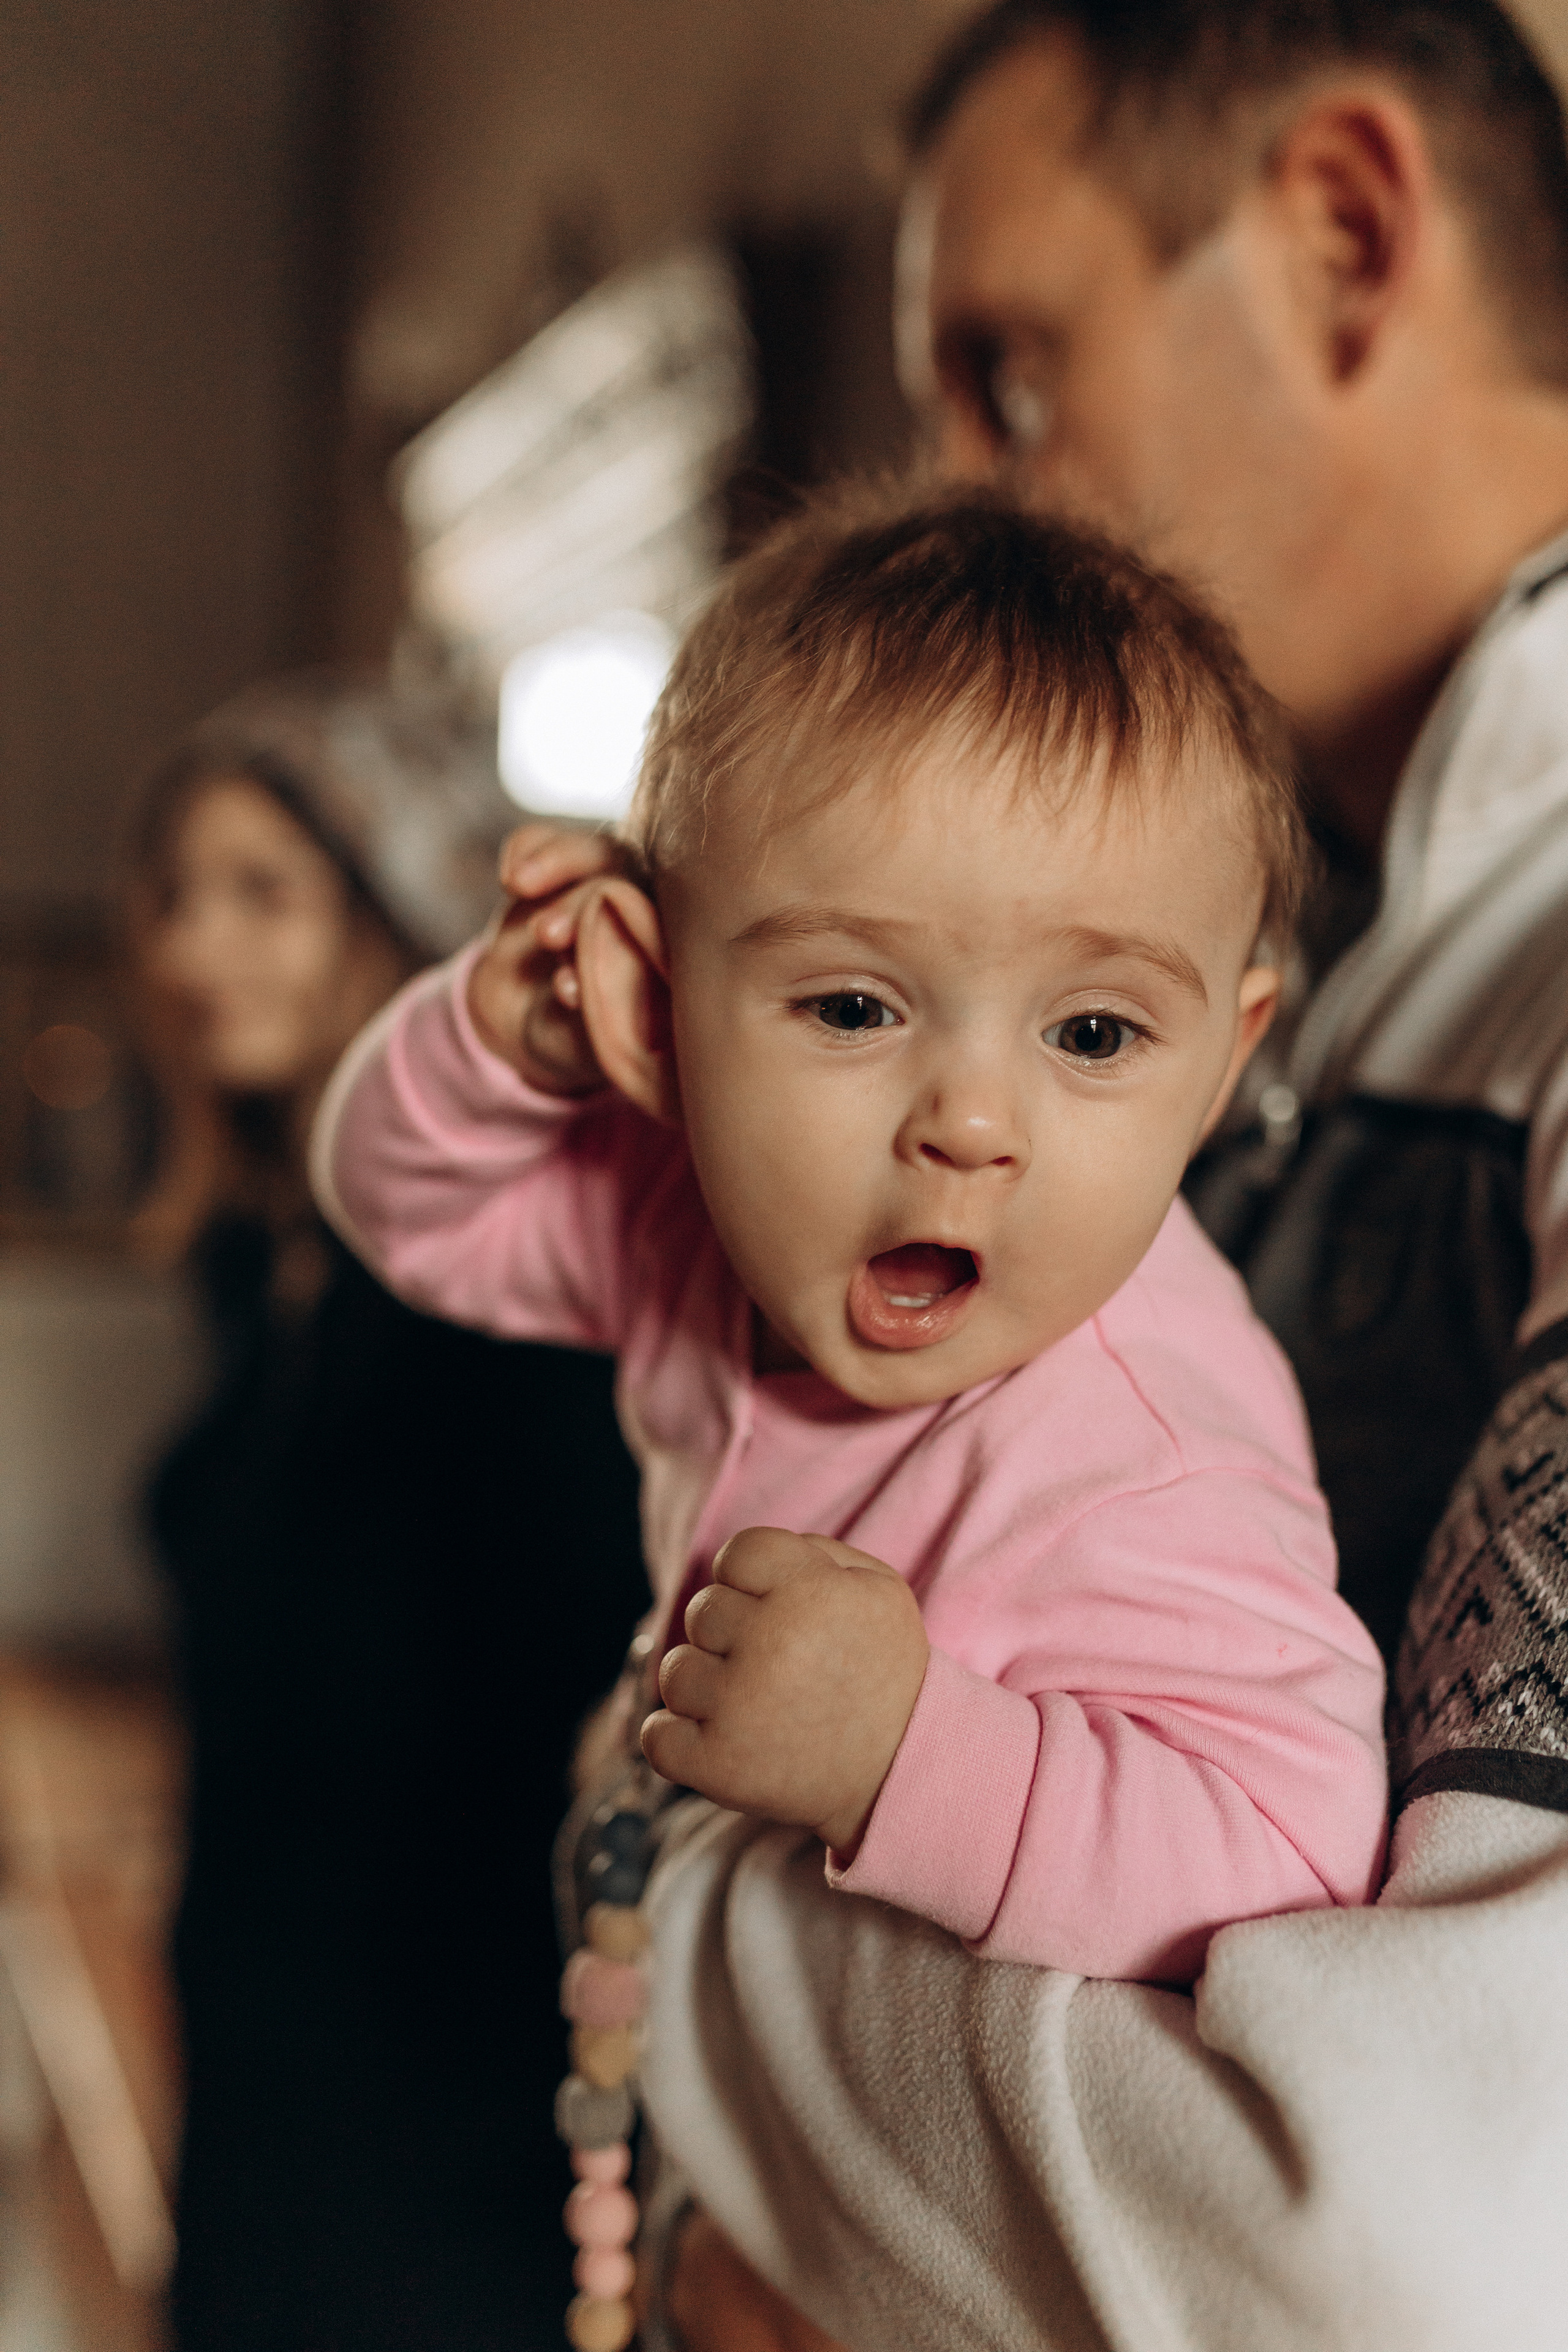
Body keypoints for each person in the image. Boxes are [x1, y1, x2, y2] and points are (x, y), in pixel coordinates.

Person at [621, 2, 1568, 2345]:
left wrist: (693, 1909)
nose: (960, 490)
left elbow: (1398, 2252)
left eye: (1011, 374)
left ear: (1344, 237)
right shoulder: (1288, 954)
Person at [127, 673, 650, 2352]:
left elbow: (580, 1689)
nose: (196, 947)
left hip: (442, 2101)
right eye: (176, 896)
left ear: (397, 911)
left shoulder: (497, 1294)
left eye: (262, 893)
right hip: (269, 2061)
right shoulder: (260, 1266)